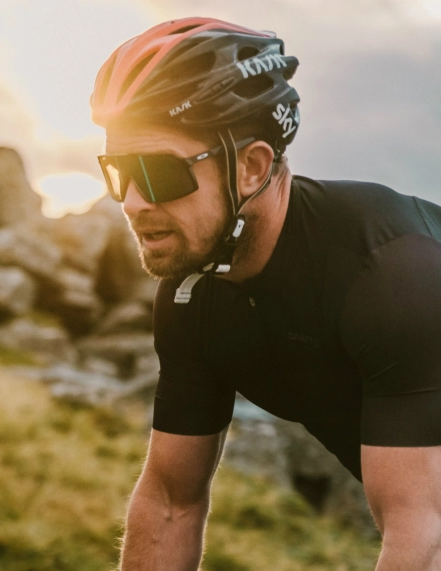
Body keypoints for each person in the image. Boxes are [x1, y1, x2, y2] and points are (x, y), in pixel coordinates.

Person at [89, 17, 441, 570]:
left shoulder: (391, 277)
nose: (131, 202)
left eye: (158, 172)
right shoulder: (192, 298)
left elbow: (424, 537)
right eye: (118, 172)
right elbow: (169, 505)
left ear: (251, 167)